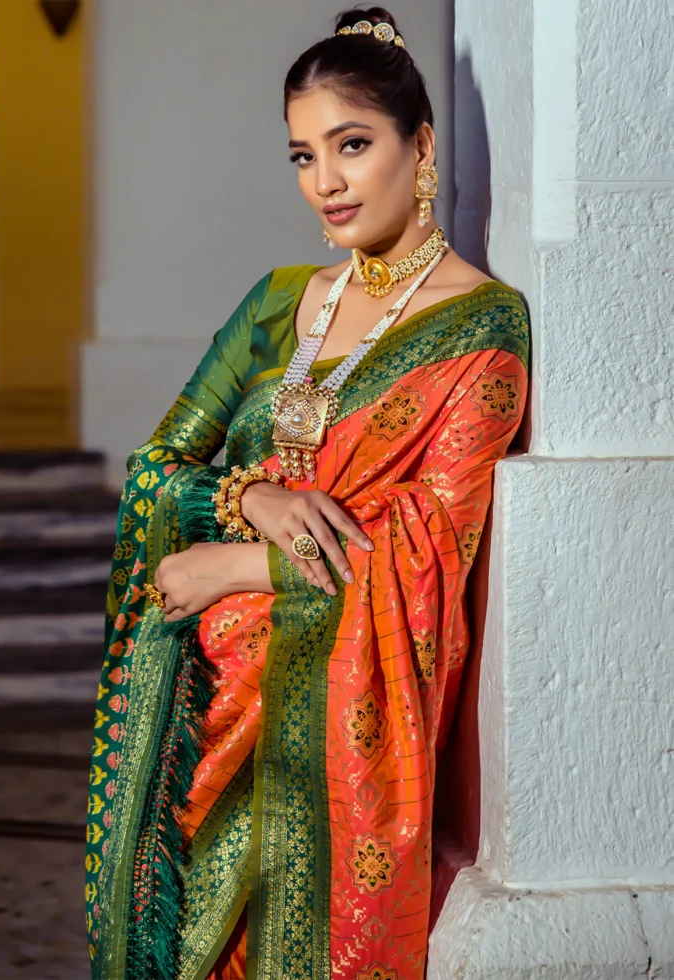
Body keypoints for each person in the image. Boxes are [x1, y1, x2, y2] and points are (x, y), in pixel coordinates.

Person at [85, 8, 529, 979]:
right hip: (203, 712)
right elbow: (159, 466)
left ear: (421, 146)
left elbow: (424, 547)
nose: (323, 182)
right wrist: (249, 501)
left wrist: (226, 563)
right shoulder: (280, 301)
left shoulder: (482, 330)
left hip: (328, 764)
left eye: (352, 145)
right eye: (301, 154)